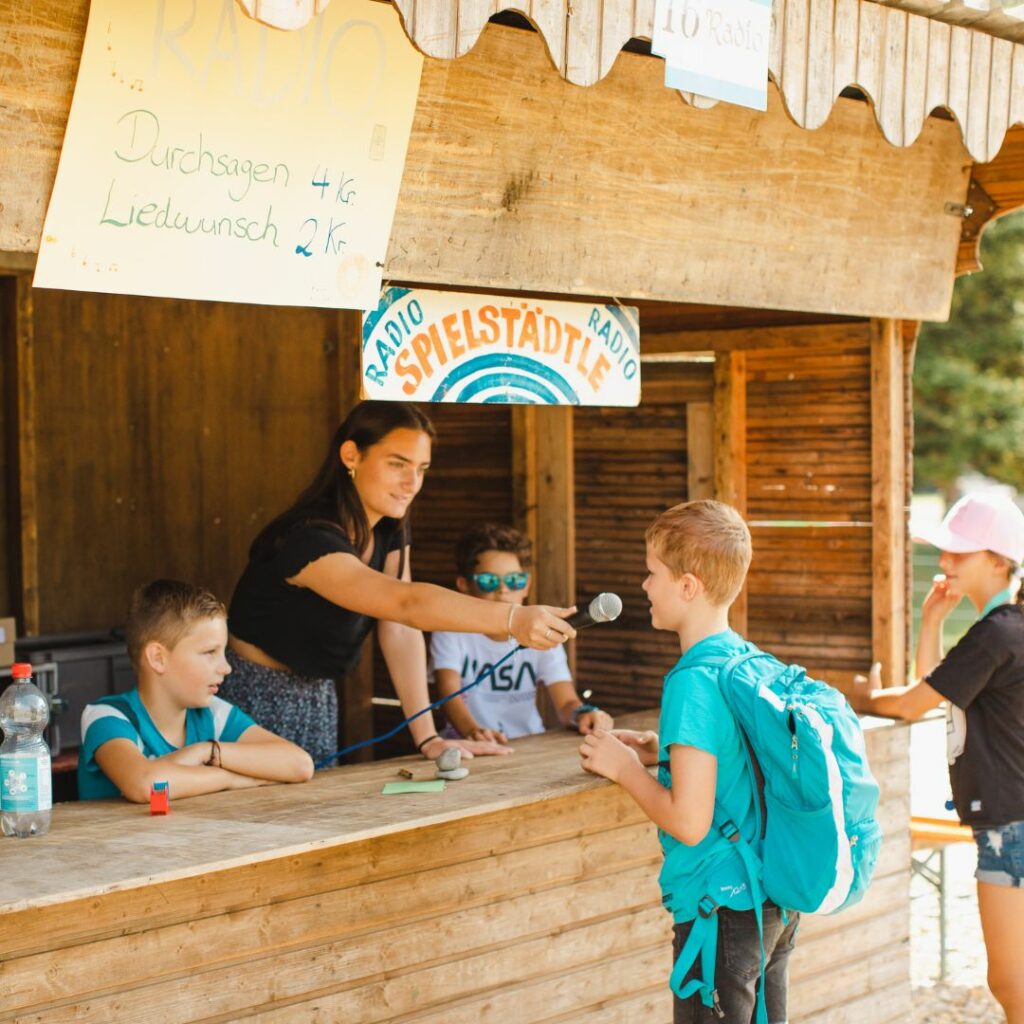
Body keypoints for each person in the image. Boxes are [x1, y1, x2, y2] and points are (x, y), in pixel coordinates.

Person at [222, 401, 576, 768]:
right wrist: (512, 618)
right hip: (256, 692)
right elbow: (405, 604)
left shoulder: (389, 527)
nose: (412, 483)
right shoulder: (307, 538)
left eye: (421, 468)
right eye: (397, 464)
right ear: (351, 455)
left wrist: (428, 737)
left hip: (318, 693)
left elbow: (399, 629)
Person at [578, 499, 798, 1023]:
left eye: (652, 573)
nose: (643, 585)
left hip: (720, 908)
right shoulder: (746, 658)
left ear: (687, 586)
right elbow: (738, 758)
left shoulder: (692, 681)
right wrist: (664, 750)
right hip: (772, 899)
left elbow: (689, 822)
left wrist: (625, 769)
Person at [850, 491, 1024, 1023]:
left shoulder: (996, 634)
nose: (945, 560)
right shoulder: (1004, 629)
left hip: (1010, 828)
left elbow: (911, 703)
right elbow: (941, 691)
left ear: (998, 561)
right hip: (1012, 823)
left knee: (1011, 983)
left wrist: (864, 699)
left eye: (960, 552)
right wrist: (931, 622)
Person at [78, 580, 314, 802]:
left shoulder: (213, 714)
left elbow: (300, 765)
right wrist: (230, 780)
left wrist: (207, 752)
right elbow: (147, 785)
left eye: (223, 653)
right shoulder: (107, 716)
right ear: (158, 658)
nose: (226, 667)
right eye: (210, 652)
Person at [431, 523, 614, 742]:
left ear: (527, 585)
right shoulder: (451, 629)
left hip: (528, 745)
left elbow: (566, 702)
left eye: (514, 580)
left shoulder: (543, 631)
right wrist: (474, 732)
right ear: (464, 585)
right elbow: (448, 692)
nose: (503, 590)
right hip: (468, 745)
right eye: (489, 581)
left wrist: (583, 714)